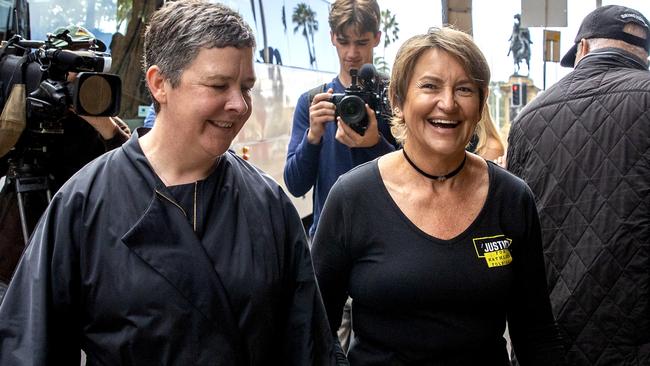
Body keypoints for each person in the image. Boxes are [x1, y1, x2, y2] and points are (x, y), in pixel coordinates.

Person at [0, 2, 335, 365]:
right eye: (218, 85)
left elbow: (308, 346)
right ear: (160, 84)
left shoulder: (269, 203)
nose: (239, 105)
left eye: (246, 87)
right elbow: (29, 348)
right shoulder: (83, 203)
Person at [312, 27, 565, 365]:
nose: (447, 103)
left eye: (463, 89)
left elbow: (537, 333)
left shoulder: (512, 199)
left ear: (480, 104)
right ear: (398, 99)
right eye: (430, 86)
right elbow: (315, 331)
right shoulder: (352, 197)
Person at [506, 5, 650, 366]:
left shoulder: (528, 119)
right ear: (644, 54)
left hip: (552, 341)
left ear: (583, 48)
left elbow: (515, 238)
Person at [0, 24, 130, 299]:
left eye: (89, 65)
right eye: (74, 62)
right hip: (12, 252)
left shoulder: (103, 118)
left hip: (71, 255)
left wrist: (101, 123)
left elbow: (132, 168)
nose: (80, 74)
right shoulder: (26, 103)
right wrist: (22, 117)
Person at [284, 0, 398, 240]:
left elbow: (419, 173)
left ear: (377, 38)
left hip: (385, 235)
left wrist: (375, 145)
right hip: (329, 239)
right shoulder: (314, 101)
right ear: (332, 37)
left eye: (362, 42)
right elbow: (295, 185)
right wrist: (313, 137)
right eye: (344, 42)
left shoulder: (394, 97)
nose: (352, 53)